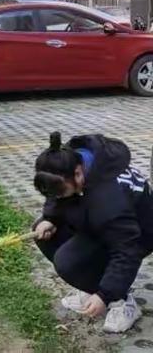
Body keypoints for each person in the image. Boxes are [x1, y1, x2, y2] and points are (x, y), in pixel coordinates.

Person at [33, 131, 153, 333]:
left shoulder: (110, 200)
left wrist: (105, 294)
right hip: (104, 223)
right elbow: (55, 192)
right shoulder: (68, 158)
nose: (56, 197)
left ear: (79, 174)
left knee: (67, 263)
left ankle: (122, 301)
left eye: (60, 192)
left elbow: (127, 251)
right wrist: (50, 218)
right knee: (43, 232)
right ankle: (93, 287)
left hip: (138, 235)